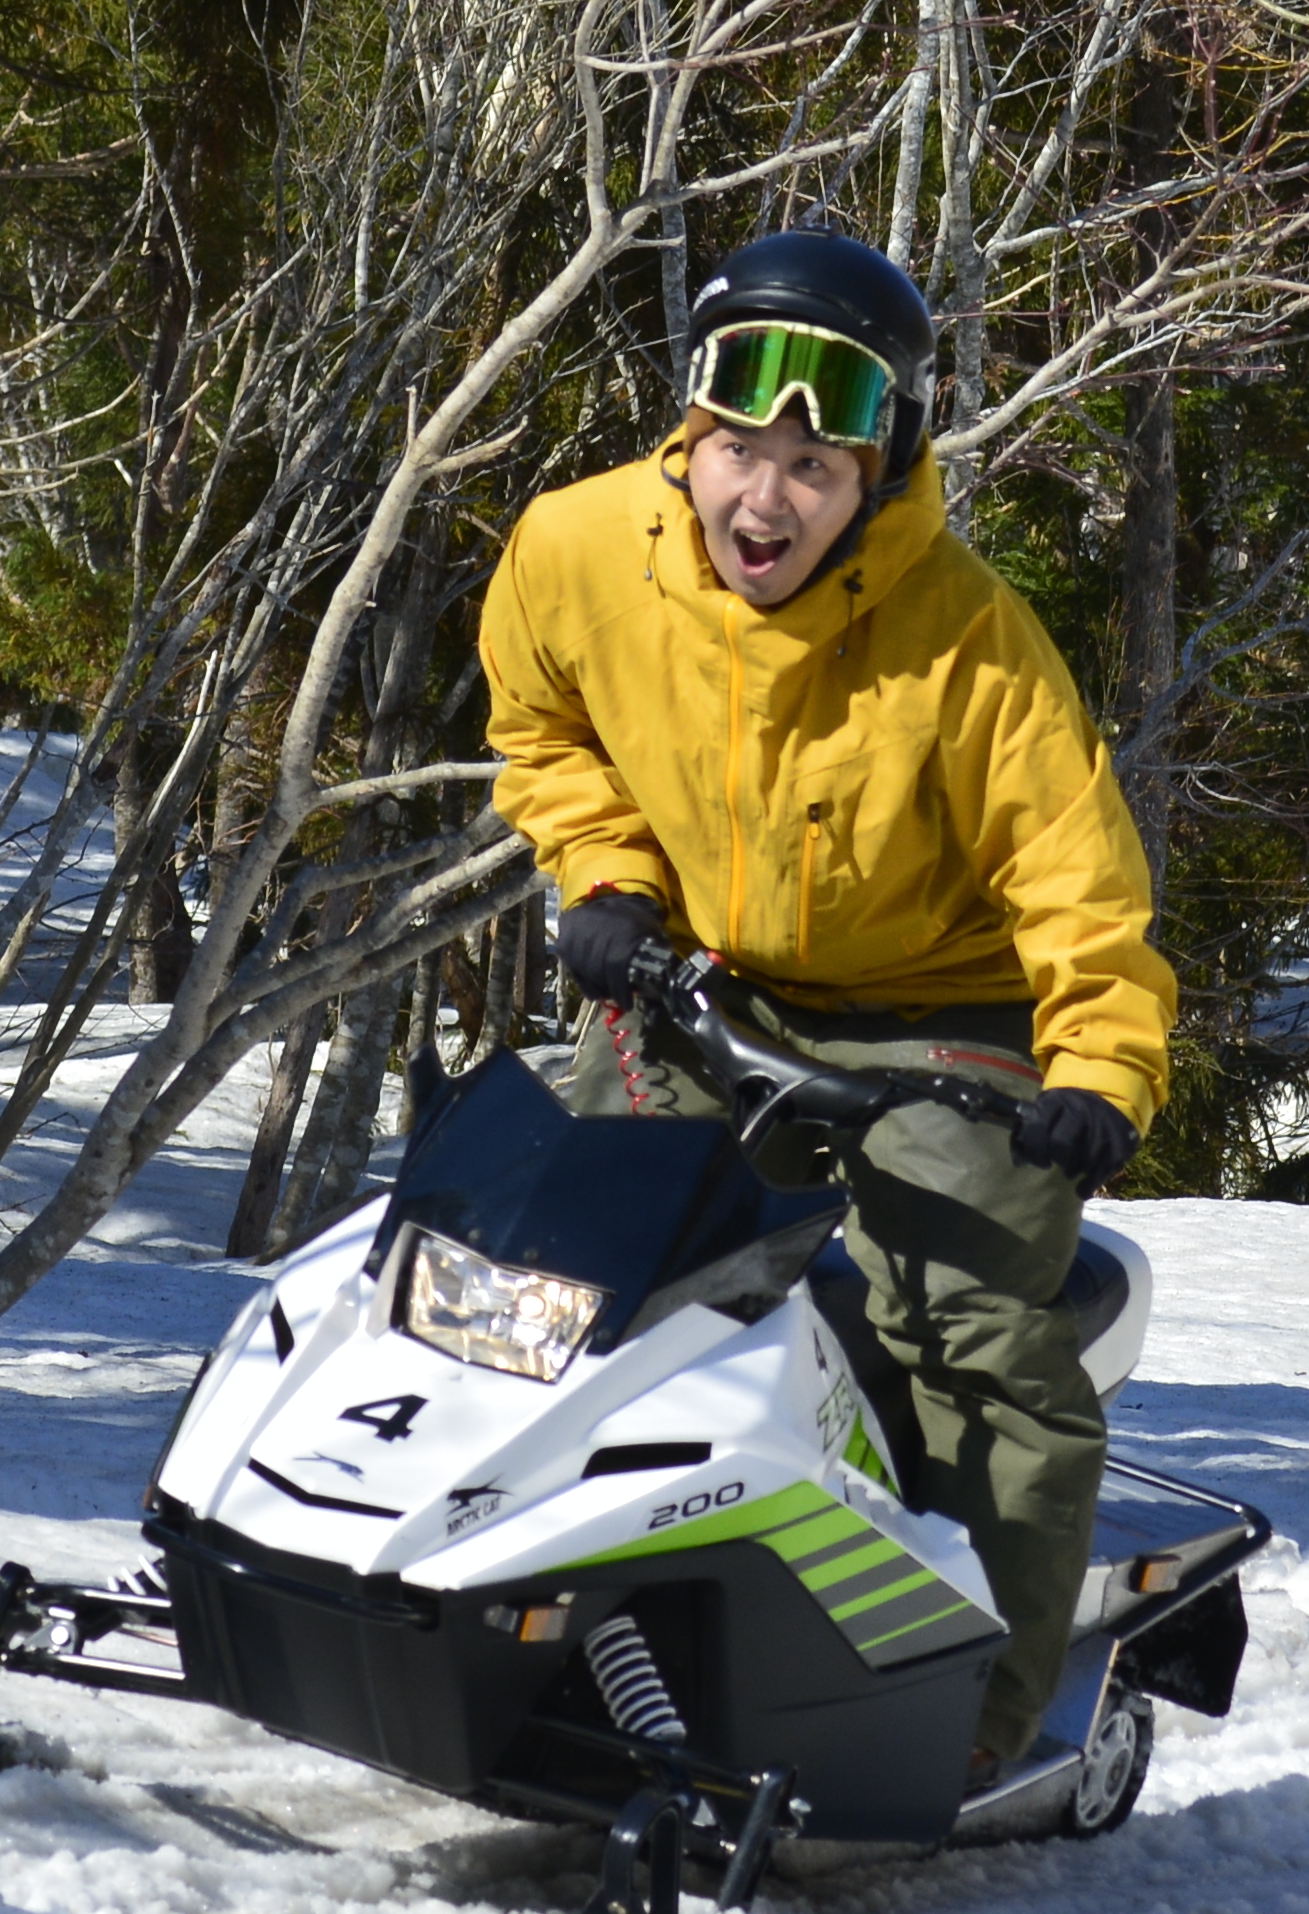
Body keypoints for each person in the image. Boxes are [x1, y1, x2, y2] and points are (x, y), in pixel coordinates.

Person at [475, 227, 1175, 1787]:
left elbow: (1079, 878)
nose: (765, 499)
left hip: (940, 1007)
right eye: (740, 449)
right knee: (571, 1259)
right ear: (691, 436)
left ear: (881, 472)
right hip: (701, 974)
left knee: (966, 1325)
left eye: (814, 465)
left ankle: (969, 1725)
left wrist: (1099, 1071)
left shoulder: (970, 638)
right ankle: (510, 1604)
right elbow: (540, 726)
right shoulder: (577, 549)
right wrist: (607, 877)